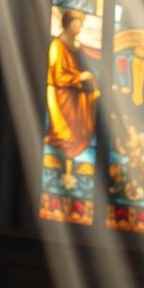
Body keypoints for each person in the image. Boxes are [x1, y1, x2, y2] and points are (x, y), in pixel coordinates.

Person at [45, 10, 100, 191]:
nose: (79, 27)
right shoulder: (57, 46)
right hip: (61, 95)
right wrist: (79, 77)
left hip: (74, 94)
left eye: (81, 23)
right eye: (77, 23)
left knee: (92, 94)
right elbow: (58, 76)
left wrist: (86, 77)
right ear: (68, 24)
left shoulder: (76, 48)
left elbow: (81, 69)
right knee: (66, 134)